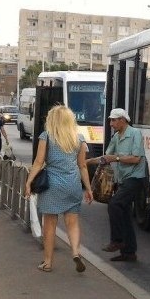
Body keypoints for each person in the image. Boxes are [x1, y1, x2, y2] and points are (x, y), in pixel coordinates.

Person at [26, 105, 94, 273]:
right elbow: (83, 166)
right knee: (72, 222)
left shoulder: (46, 136)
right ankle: (76, 252)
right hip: (73, 184)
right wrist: (89, 188)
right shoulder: (78, 138)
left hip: (52, 185)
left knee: (49, 224)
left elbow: (38, 162)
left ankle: (48, 262)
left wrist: (29, 182)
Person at [86, 108, 146, 262]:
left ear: (122, 120)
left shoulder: (135, 134)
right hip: (122, 179)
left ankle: (117, 240)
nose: (111, 124)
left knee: (114, 204)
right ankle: (129, 252)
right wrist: (87, 162)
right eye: (110, 120)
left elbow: (136, 159)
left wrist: (117, 158)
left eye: (113, 120)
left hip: (135, 178)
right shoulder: (116, 137)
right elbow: (106, 157)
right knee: (124, 214)